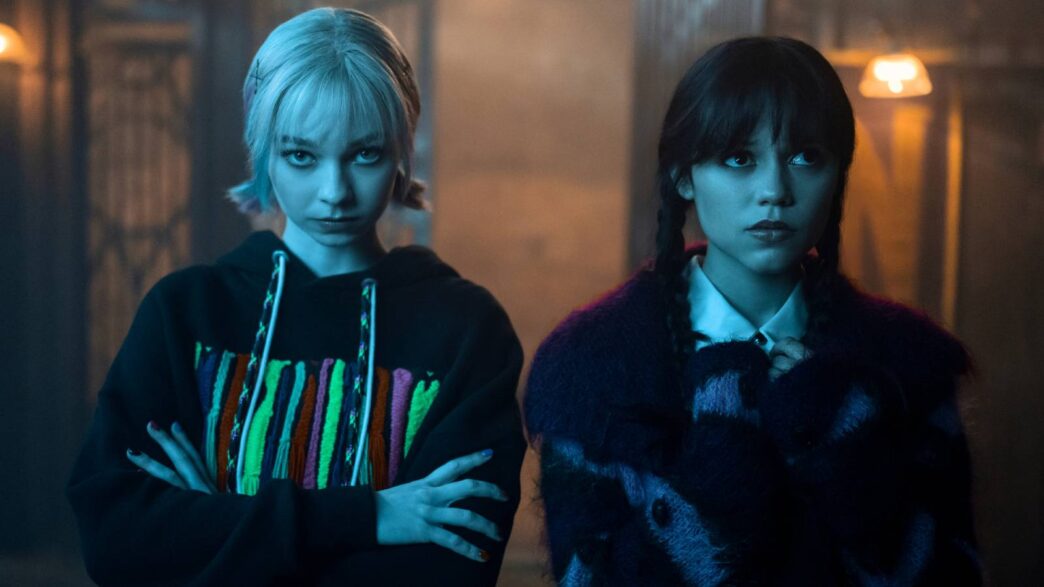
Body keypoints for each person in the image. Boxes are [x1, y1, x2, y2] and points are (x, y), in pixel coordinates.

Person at [68, 8, 524, 586]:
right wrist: (371, 516)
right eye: (301, 156)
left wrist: (219, 521)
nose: (334, 192)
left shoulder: (467, 330)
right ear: (264, 151)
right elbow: (116, 543)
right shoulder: (184, 313)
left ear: (402, 150)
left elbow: (448, 569)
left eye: (365, 153)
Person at [524, 37, 981, 585]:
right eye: (739, 159)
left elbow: (954, 576)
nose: (775, 190)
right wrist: (721, 462)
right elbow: (584, 578)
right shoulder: (591, 366)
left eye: (806, 157)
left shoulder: (909, 362)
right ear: (684, 175)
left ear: (838, 174)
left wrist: (845, 442)